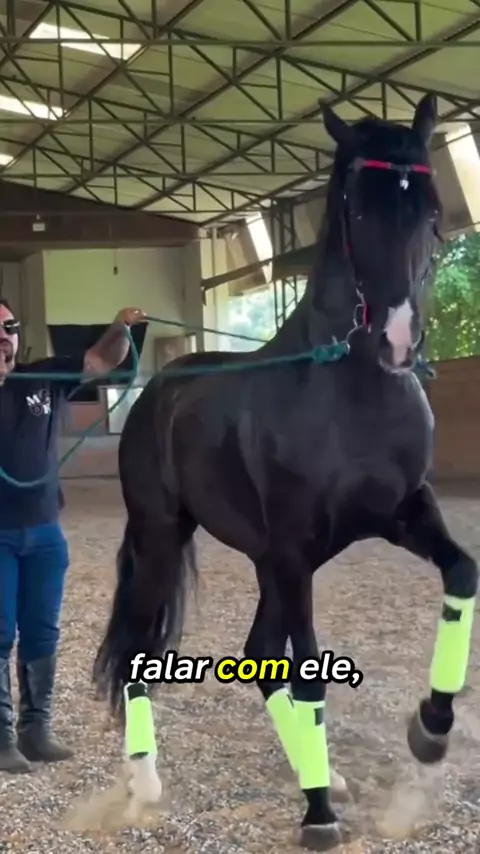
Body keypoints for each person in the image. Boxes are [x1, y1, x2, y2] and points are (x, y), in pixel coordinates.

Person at [0, 299, 147, 773]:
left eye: (8, 327)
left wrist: (119, 328)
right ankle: (1, 737)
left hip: (45, 532)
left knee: (42, 630)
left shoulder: (44, 376)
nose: (3, 336)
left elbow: (101, 360)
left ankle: (35, 730)